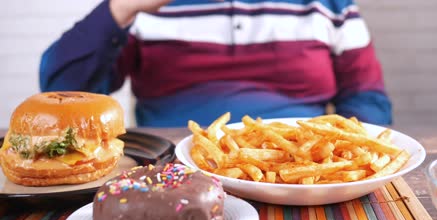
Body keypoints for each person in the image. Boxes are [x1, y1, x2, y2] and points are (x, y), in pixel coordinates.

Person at [39, 0, 392, 127]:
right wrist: (120, 7)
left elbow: (366, 97)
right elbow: (63, 93)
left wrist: (348, 159)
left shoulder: (329, 4)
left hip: (302, 175)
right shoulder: (146, 9)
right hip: (170, 168)